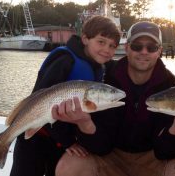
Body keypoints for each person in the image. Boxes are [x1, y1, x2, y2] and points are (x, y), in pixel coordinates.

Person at [53, 21, 175, 176]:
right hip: (110, 156)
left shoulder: (171, 86)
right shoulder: (104, 78)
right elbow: (100, 146)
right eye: (137, 46)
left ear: (159, 51)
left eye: (151, 47)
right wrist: (84, 122)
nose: (144, 52)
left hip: (154, 158)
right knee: (69, 167)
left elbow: (167, 151)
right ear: (127, 47)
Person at [10, 15, 121, 176]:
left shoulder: (98, 67)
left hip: (60, 140)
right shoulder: (64, 61)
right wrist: (67, 141)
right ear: (85, 39)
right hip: (36, 136)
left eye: (112, 46)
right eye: (101, 42)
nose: (107, 50)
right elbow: (42, 100)